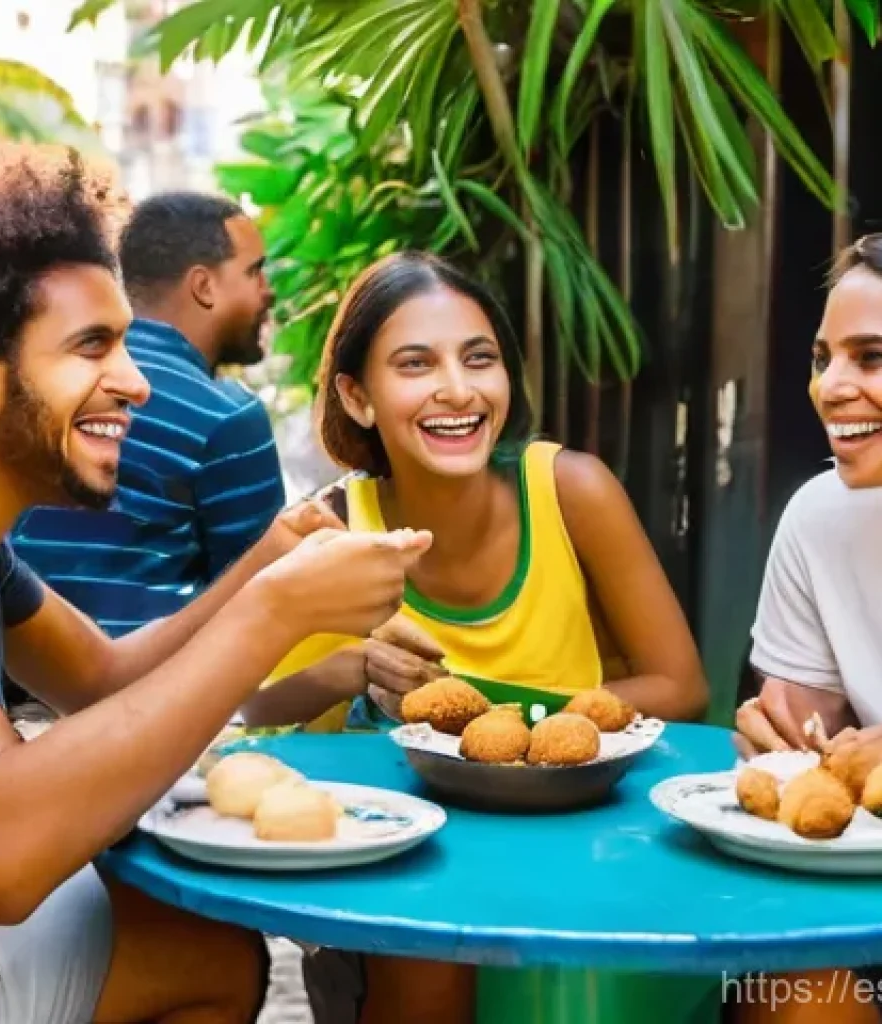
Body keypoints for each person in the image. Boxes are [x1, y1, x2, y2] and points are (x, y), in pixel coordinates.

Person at [0, 143, 431, 1024]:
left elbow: (103, 681)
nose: (133, 383)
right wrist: (275, 615)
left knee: (203, 951)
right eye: (93, 346)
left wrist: (268, 561)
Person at [242, 252, 709, 1024]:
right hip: (399, 855)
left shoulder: (570, 491)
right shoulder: (330, 528)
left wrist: (501, 727)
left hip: (575, 835)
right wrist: (346, 669)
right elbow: (254, 704)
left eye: (479, 359)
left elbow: (678, 686)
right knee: (422, 964)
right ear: (357, 396)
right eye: (415, 364)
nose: (457, 390)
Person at [12, 191, 285, 638]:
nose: (267, 291)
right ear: (203, 286)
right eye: (254, 272)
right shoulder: (228, 417)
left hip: (4, 675)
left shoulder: (44, 379)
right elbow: (258, 602)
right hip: (149, 691)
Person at [731, 234, 882, 1024]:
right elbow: (804, 732)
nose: (834, 387)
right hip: (863, 917)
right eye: (826, 358)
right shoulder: (818, 518)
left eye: (873, 356)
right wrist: (780, 744)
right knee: (791, 990)